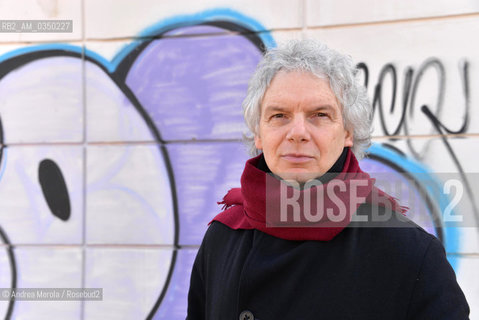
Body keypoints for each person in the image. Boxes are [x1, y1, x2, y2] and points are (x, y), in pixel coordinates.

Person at [186, 39, 470, 320]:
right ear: (259, 133)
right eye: (279, 115)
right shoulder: (223, 238)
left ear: (348, 132)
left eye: (319, 115)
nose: (297, 132)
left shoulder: (409, 253)